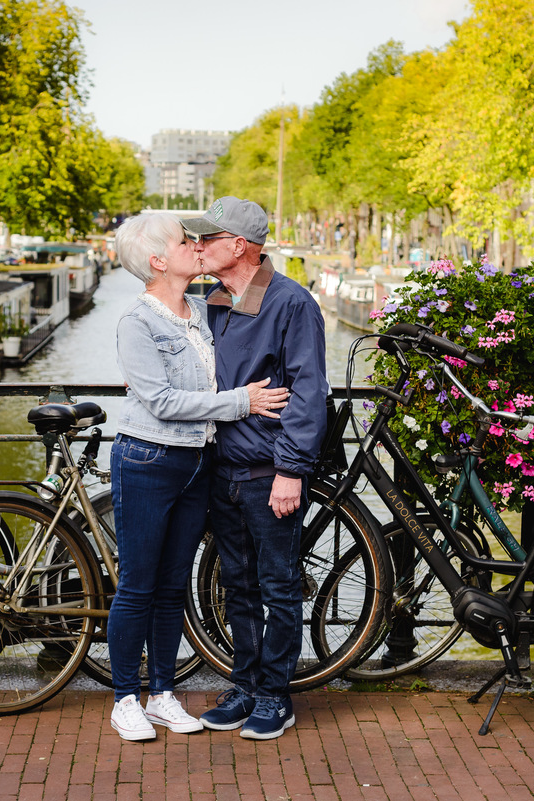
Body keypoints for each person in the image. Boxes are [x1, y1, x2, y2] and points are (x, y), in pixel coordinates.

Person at [107, 212, 290, 742]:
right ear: (159, 260)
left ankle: (162, 694)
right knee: (137, 586)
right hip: (148, 460)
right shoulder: (136, 322)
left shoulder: (203, 310)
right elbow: (161, 400)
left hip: (198, 461)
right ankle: (124, 699)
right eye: (185, 241)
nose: (196, 245)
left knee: (172, 588)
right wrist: (242, 402)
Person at [183, 197, 329, 740]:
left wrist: (291, 470)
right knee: (237, 586)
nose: (198, 246)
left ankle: (274, 695)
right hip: (223, 467)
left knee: (279, 585)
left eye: (207, 237)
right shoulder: (214, 301)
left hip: (269, 470)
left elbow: (310, 390)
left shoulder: (292, 302)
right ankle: (245, 684)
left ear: (238, 245)